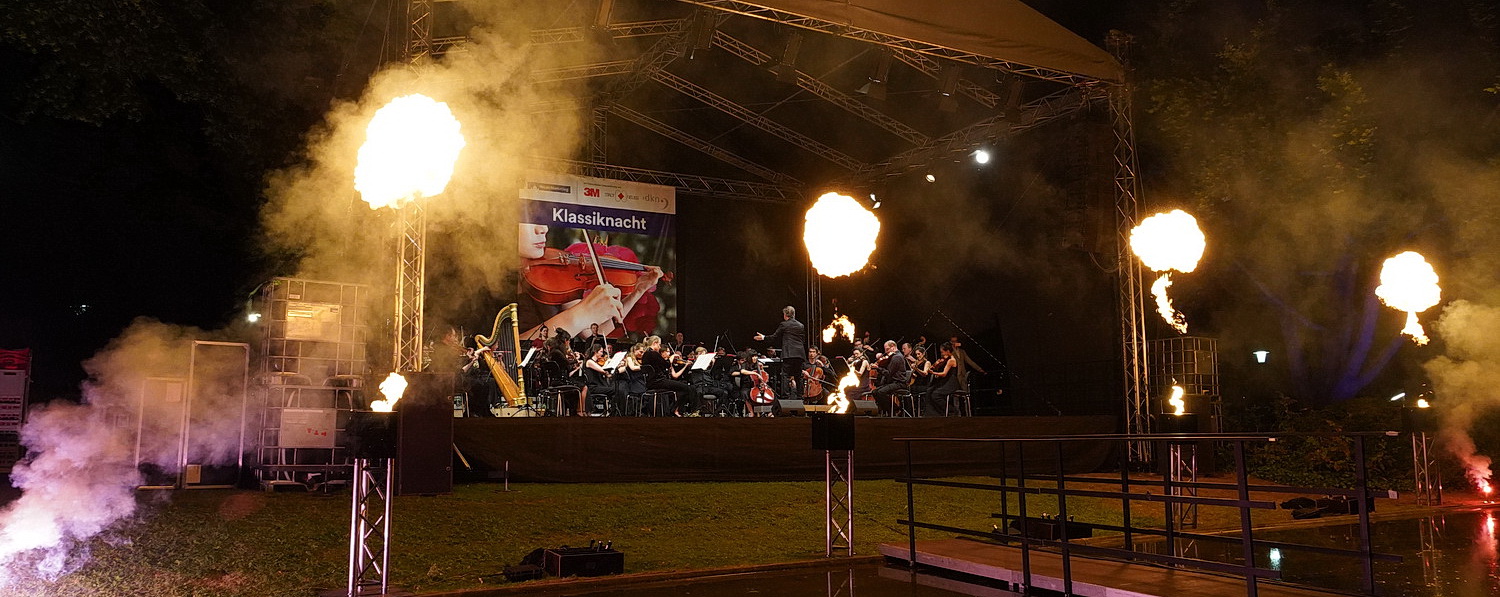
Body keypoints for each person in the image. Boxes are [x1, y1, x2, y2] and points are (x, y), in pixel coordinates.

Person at [515, 223, 664, 343]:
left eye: (542, 221)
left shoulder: (553, 272)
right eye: (529, 221)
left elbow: (594, 334)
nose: (543, 229)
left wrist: (637, 291)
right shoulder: (504, 283)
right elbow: (507, 348)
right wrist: (582, 313)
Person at [754, 306, 806, 397]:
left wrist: (763, 337)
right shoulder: (801, 325)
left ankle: (785, 396)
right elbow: (803, 340)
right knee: (798, 375)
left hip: (789, 353)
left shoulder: (784, 324)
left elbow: (774, 337)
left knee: (785, 374)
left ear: (785, 315)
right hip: (799, 353)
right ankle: (800, 396)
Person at [642, 335, 699, 416]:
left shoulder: (645, 355)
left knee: (681, 389)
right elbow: (667, 365)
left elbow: (658, 366)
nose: (659, 347)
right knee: (686, 388)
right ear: (655, 343)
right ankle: (684, 411)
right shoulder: (653, 354)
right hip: (658, 382)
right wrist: (671, 358)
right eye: (659, 345)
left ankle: (674, 410)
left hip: (651, 382)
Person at [870, 340, 910, 415]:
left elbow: (888, 373)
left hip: (899, 383)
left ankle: (894, 409)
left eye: (887, 349)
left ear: (893, 347)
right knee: (874, 392)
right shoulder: (893, 357)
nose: (886, 352)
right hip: (893, 382)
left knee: (880, 392)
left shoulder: (897, 357)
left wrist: (878, 368)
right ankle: (889, 410)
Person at [927, 343, 962, 416]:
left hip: (951, 383)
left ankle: (951, 410)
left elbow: (944, 374)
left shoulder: (951, 360)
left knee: (936, 395)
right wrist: (936, 365)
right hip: (946, 381)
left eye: (942, 352)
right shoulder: (946, 360)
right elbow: (935, 368)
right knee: (930, 391)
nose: (941, 354)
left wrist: (933, 373)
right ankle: (935, 413)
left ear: (948, 351)